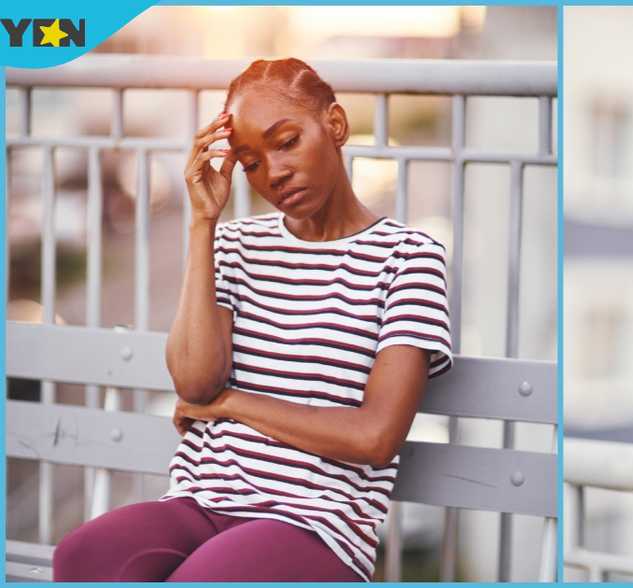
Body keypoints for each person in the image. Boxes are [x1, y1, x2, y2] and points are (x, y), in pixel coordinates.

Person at [52, 58, 452, 582]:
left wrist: (231, 404)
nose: (275, 174)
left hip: (317, 525)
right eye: (251, 161)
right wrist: (202, 223)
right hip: (203, 502)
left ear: (334, 125)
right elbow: (194, 381)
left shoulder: (408, 257)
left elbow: (374, 437)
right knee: (82, 558)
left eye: (286, 142)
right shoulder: (236, 244)